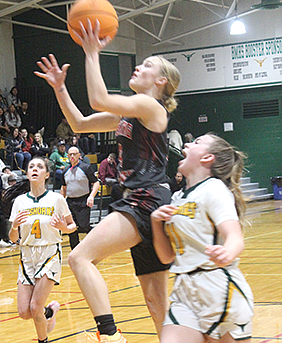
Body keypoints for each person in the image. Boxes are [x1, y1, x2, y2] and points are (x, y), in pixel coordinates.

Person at [34, 20, 180, 342]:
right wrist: (60, 88)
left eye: (147, 65)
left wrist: (92, 52)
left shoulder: (149, 106)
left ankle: (110, 335)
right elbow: (79, 122)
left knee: (79, 257)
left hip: (145, 199)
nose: (139, 66)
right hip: (147, 202)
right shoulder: (128, 112)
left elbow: (99, 98)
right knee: (156, 301)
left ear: (161, 80)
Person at [151, 134, 254, 343]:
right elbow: (166, 257)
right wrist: (155, 223)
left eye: (196, 142)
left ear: (207, 158)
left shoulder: (214, 189)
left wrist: (227, 252)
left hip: (219, 288)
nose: (187, 144)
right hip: (184, 289)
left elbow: (234, 236)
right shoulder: (178, 197)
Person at [8, 156, 77, 343]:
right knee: (24, 312)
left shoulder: (56, 199)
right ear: (28, 173)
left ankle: (43, 340)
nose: (34, 169)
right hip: (27, 255)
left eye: (39, 167)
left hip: (49, 252)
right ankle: (50, 311)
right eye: (31, 167)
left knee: (35, 307)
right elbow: (13, 238)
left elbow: (73, 226)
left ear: (46, 174)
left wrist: (63, 227)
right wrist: (14, 226)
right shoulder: (20, 202)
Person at [61, 146, 99, 250]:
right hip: (70, 202)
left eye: (74, 154)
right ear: (67, 156)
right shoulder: (65, 171)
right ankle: (75, 250)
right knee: (71, 227)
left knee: (84, 226)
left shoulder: (86, 168)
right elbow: (63, 188)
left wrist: (91, 196)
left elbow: (96, 183)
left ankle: (97, 240)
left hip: (83, 201)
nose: (72, 156)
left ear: (79, 155)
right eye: (70, 154)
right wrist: (60, 202)